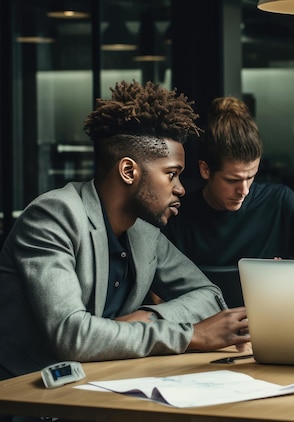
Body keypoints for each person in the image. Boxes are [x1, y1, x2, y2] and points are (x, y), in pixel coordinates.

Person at [0, 81, 250, 384]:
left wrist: (149, 317)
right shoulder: (54, 217)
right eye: (171, 174)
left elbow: (208, 297)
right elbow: (71, 336)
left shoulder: (144, 232)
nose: (181, 188)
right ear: (129, 171)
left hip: (107, 385)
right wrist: (189, 334)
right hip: (31, 400)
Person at [162, 96, 294, 267]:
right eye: (233, 180)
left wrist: (291, 269)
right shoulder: (179, 217)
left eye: (250, 177)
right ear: (205, 170)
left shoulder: (281, 202)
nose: (244, 190)